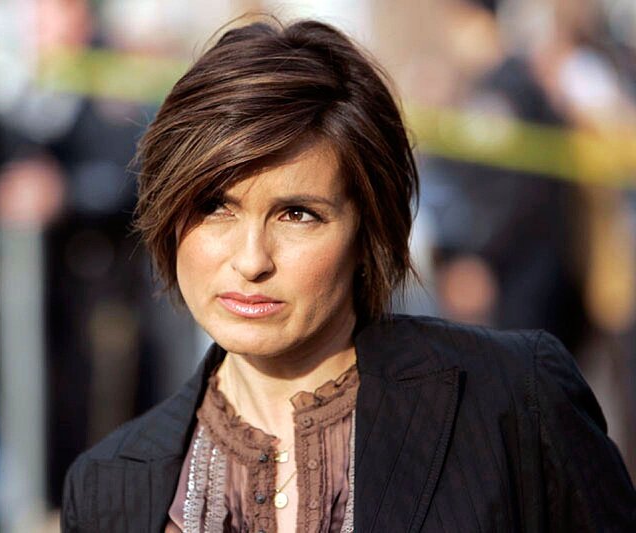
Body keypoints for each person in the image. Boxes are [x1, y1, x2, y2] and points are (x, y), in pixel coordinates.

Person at [61, 18, 636, 532]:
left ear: (368, 230)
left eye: (297, 214)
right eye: (215, 207)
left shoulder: (512, 399)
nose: (252, 260)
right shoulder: (106, 487)